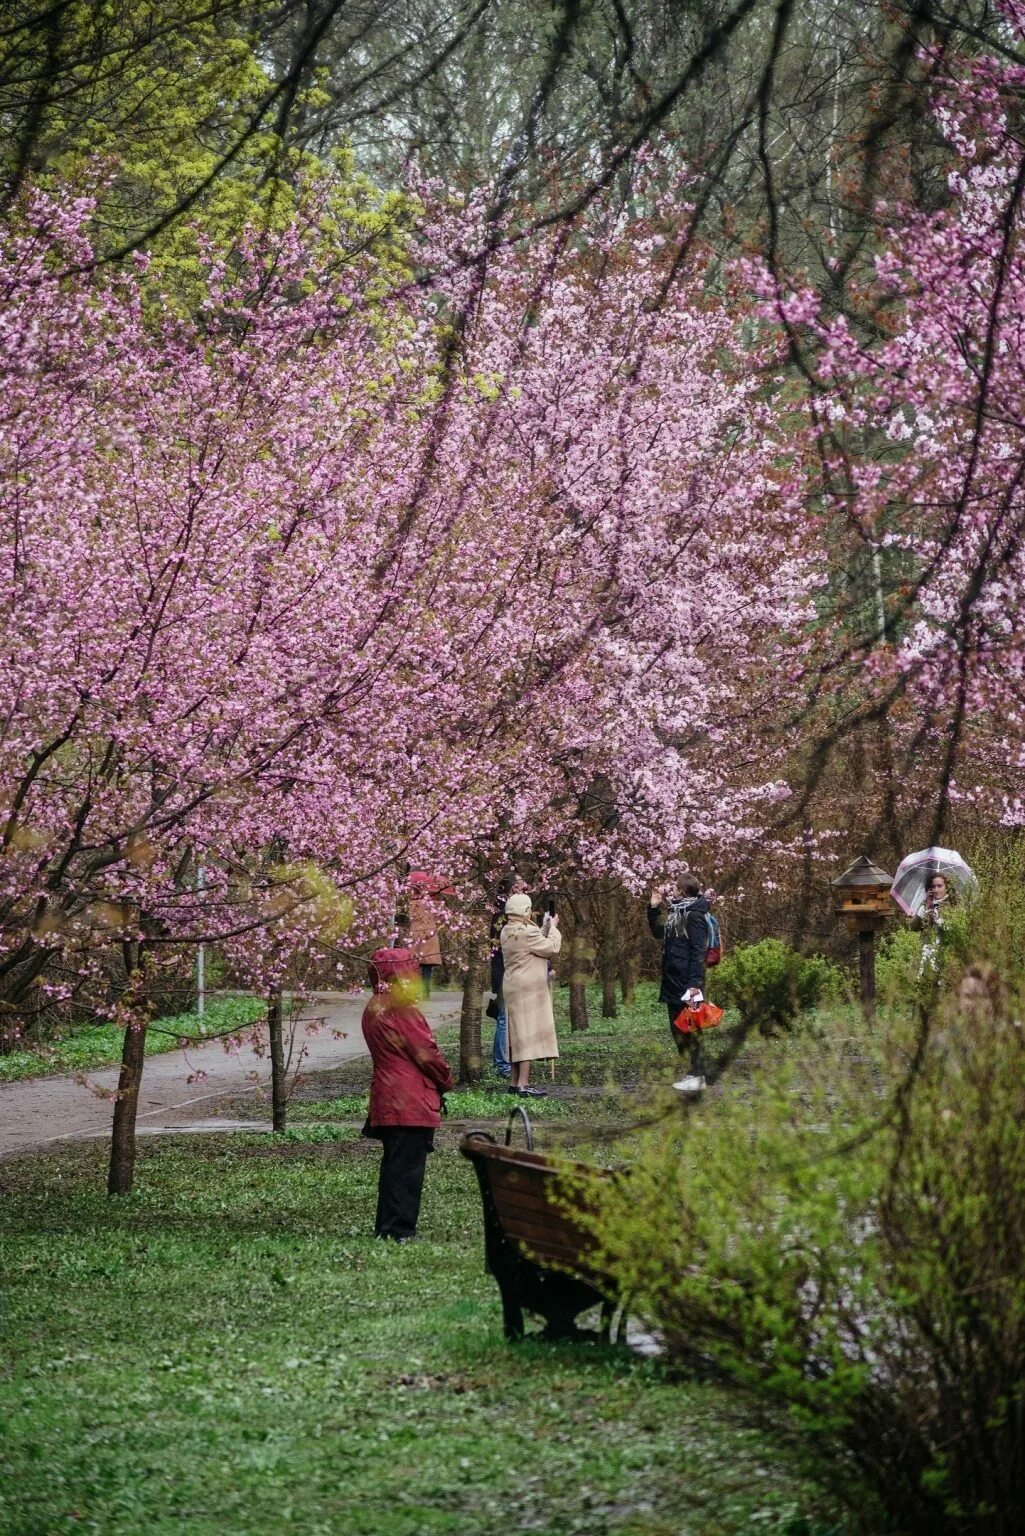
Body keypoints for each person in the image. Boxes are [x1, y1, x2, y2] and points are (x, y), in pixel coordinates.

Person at [361, 947, 454, 1241]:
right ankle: (399, 1231)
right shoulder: (401, 1008)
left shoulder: (374, 1005)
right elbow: (427, 1053)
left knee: (394, 1165)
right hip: (410, 1099)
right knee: (407, 1169)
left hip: (388, 1096)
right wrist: (447, 1080)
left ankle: (387, 1228)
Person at [648, 875, 711, 1093]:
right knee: (677, 1027)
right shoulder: (677, 913)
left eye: (675, 888)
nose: (672, 890)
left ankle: (698, 1073)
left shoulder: (694, 915)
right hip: (673, 980)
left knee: (691, 1028)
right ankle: (692, 1072)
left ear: (683, 891)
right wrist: (654, 908)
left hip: (688, 982)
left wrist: (694, 984)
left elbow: (698, 951)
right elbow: (658, 932)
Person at [500, 892, 561, 1097]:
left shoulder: (507, 930)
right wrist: (553, 928)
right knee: (526, 1035)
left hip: (513, 986)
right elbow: (551, 948)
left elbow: (534, 944)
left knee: (517, 1035)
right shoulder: (526, 933)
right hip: (528, 989)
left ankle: (515, 1081)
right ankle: (523, 1084)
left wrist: (543, 926)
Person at [487, 872, 530, 1081]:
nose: (524, 887)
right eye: (520, 884)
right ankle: (502, 1065)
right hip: (505, 972)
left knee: (505, 1019)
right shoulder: (507, 913)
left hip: (505, 971)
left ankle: (503, 1063)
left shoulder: (506, 910)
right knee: (505, 1019)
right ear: (512, 888)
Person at [407, 871, 444, 996]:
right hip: (430, 935)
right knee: (427, 966)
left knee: (415, 964)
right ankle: (425, 990)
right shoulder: (434, 903)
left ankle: (415, 989)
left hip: (416, 934)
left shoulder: (411, 903)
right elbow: (440, 917)